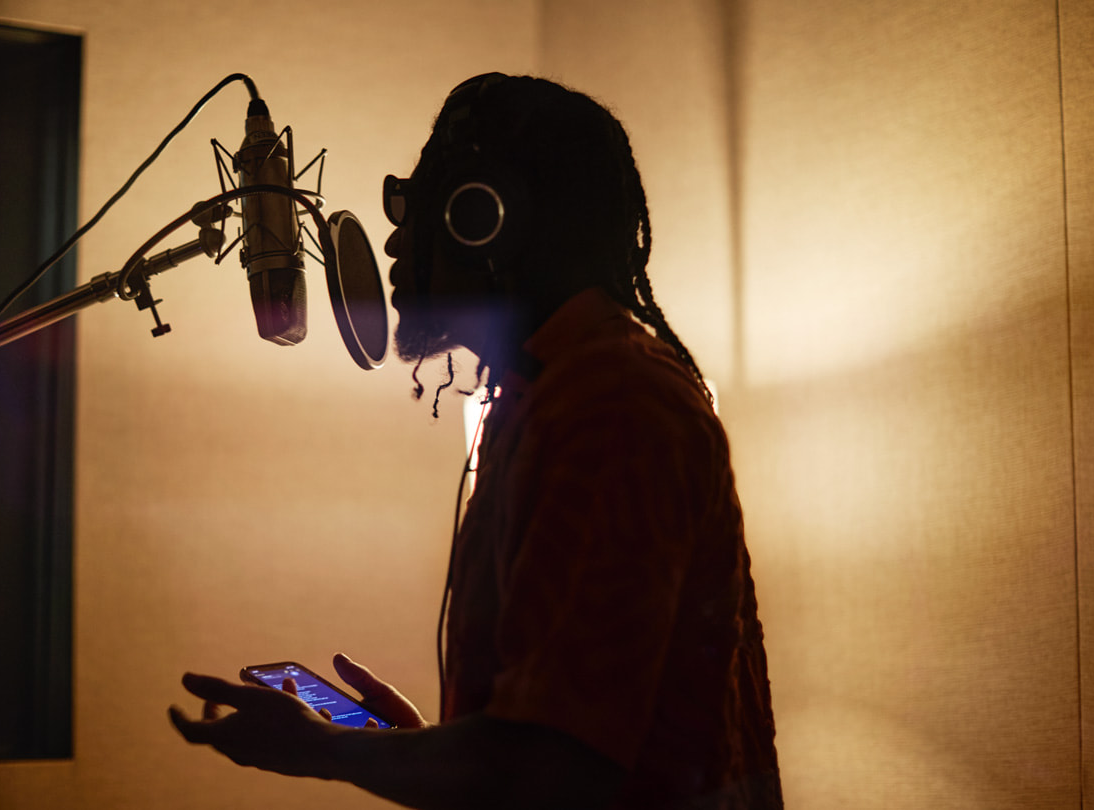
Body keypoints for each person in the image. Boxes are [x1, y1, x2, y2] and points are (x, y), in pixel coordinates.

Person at [170, 73, 782, 809]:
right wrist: (413, 741)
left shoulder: (616, 406)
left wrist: (325, 749)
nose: (394, 238)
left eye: (417, 208)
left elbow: (555, 770)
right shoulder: (538, 400)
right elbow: (537, 749)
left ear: (482, 220)